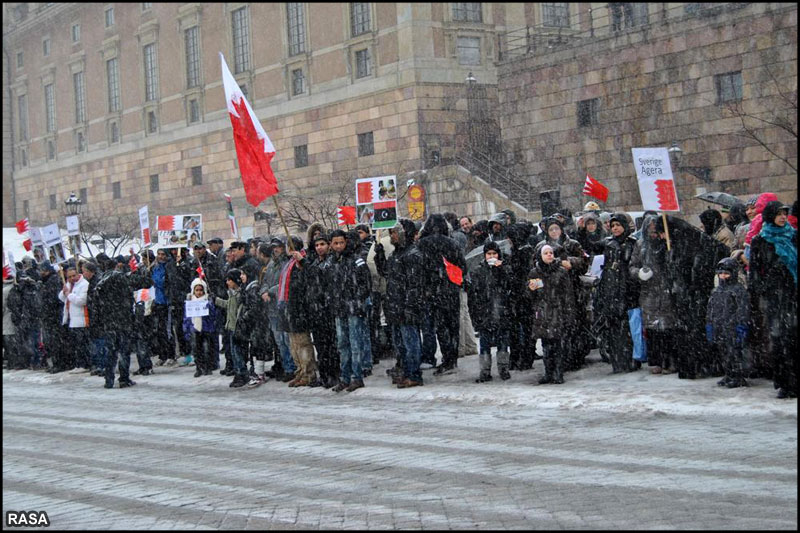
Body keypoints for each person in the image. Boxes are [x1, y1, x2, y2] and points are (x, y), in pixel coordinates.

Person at [749, 201, 797, 399]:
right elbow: (754, 272)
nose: (783, 217)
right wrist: (765, 286)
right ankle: (784, 382)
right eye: (778, 214)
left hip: (793, 295)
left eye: (784, 213)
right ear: (770, 216)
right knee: (779, 339)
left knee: (793, 338)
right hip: (774, 298)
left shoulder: (793, 236)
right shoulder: (760, 241)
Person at [375, 219, 426, 388]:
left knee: (410, 343)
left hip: (406, 307)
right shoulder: (396, 254)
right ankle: (405, 371)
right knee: (400, 344)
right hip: (395, 307)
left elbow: (414, 285)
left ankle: (414, 374)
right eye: (391, 233)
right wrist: (380, 256)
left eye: (395, 232)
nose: (392, 236)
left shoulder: (413, 254)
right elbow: (386, 273)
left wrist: (410, 306)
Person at [630, 214, 682, 375]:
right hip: (649, 293)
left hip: (667, 291)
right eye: (650, 227)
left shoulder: (667, 243)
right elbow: (632, 267)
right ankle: (656, 361)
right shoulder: (640, 245)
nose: (653, 230)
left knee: (668, 329)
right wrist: (639, 273)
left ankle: (670, 361)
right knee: (652, 331)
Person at [417, 214, 466, 375]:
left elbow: (419, 268)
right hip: (450, 289)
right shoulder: (452, 243)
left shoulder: (422, 244)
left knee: (441, 326)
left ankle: (446, 357)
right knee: (453, 325)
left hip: (432, 291)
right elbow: (462, 266)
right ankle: (452, 359)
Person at [595, 213, 640, 374]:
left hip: (628, 289)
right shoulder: (608, 244)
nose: (615, 229)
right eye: (612, 226)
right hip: (611, 289)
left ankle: (631, 360)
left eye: (618, 225)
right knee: (613, 328)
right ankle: (617, 361)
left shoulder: (633, 243)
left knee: (629, 328)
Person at [527, 244, 578, 384]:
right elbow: (532, 297)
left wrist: (569, 314)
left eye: (551, 253)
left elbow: (568, 295)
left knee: (558, 345)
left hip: (558, 311)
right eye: (546, 253)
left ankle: (558, 372)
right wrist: (530, 290)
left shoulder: (561, 272)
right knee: (546, 345)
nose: (549, 255)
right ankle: (548, 372)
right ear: (540, 256)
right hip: (542, 313)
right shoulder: (535, 273)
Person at [329, 229, 372, 392]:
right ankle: (345, 377)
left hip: (353, 309)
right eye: (335, 243)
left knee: (355, 343)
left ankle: (356, 376)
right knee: (343, 344)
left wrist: (355, 299)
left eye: (341, 242)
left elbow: (365, 284)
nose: (338, 246)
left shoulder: (356, 260)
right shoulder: (333, 262)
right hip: (339, 310)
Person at [467, 241, 513, 382]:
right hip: (485, 312)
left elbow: (510, 286)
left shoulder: (505, 268)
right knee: (485, 344)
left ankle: (503, 368)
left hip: (501, 311)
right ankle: (485, 371)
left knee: (503, 342)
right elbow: (474, 294)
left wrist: (501, 270)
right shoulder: (478, 271)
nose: (492, 256)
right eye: (489, 254)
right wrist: (476, 314)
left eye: (494, 253)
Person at [279, 236, 319, 387]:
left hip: (300, 307)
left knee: (302, 343)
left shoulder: (302, 261)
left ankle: (309, 373)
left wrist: (302, 261)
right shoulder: (288, 263)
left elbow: (308, 279)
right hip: (290, 307)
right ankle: (300, 371)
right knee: (293, 344)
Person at [706, 258, 750, 388]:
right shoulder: (716, 291)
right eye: (721, 273)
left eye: (726, 273)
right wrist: (709, 323)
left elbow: (743, 309)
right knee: (724, 352)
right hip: (719, 326)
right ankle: (729, 374)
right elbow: (710, 308)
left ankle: (738, 376)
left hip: (732, 326)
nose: (723, 276)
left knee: (735, 353)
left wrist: (741, 324)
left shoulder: (738, 290)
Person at [95, 255, 136, 389]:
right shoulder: (121, 278)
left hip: (109, 320)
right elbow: (129, 296)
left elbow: (96, 303)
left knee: (111, 351)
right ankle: (124, 378)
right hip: (122, 319)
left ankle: (109, 379)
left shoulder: (101, 281)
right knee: (124, 350)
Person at [305, 232, 340, 388]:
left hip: (328, 310)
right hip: (316, 311)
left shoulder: (332, 262)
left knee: (331, 345)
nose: (319, 248)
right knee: (320, 345)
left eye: (322, 244)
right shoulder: (314, 263)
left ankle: (334, 374)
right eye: (317, 245)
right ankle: (324, 374)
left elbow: (324, 278)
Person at [260, 237, 295, 381]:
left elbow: (286, 282)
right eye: (274, 247)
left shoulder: (287, 263)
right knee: (279, 341)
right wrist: (263, 292)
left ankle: (293, 367)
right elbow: (265, 282)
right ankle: (287, 367)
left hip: (283, 306)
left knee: (287, 340)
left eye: (279, 247)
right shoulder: (270, 265)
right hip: (272, 308)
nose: (276, 250)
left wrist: (271, 292)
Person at [215, 268, 249, 388]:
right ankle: (238, 372)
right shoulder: (232, 294)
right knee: (234, 352)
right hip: (231, 326)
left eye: (229, 280)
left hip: (237, 327)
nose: (227, 282)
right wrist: (216, 300)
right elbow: (228, 305)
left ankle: (241, 373)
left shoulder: (240, 294)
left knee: (238, 352)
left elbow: (237, 310)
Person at [58, 264, 93, 376]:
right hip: (71, 317)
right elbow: (62, 298)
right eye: (69, 277)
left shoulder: (84, 284)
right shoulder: (69, 284)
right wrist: (64, 292)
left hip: (81, 318)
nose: (72, 278)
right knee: (75, 344)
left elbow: (81, 301)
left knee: (81, 344)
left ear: (78, 274)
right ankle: (78, 363)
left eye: (74, 275)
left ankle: (84, 364)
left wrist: (69, 294)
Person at [38, 261, 71, 373]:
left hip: (55, 316)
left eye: (42, 270)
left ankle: (60, 363)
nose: (40, 272)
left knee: (57, 341)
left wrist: (48, 308)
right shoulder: (48, 281)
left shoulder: (53, 281)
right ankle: (59, 363)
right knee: (54, 342)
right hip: (51, 316)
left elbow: (54, 299)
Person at [183, 278, 218, 377]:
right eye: (197, 290)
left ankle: (207, 367)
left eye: (201, 290)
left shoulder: (207, 300)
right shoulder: (190, 302)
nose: (199, 292)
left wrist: (210, 305)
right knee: (196, 350)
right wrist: (186, 329)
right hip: (194, 328)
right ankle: (199, 367)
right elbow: (186, 317)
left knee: (206, 349)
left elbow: (213, 315)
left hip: (206, 328)